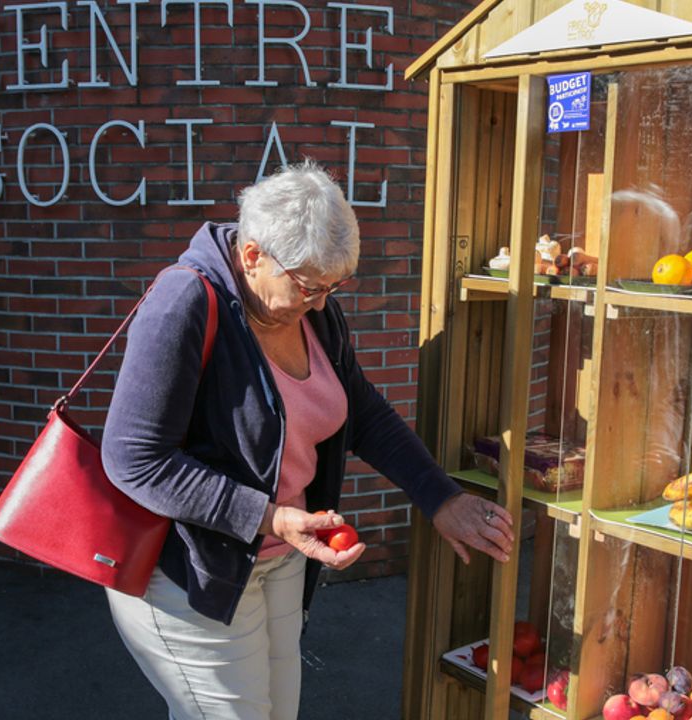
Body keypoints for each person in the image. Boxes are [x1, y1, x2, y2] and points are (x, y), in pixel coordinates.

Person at [100, 161, 515, 720]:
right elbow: (134, 459)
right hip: (191, 571)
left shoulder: (314, 313)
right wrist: (269, 517)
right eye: (310, 287)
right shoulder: (183, 303)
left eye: (334, 287)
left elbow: (362, 413)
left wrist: (439, 497)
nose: (321, 302)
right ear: (253, 256)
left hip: (280, 560)